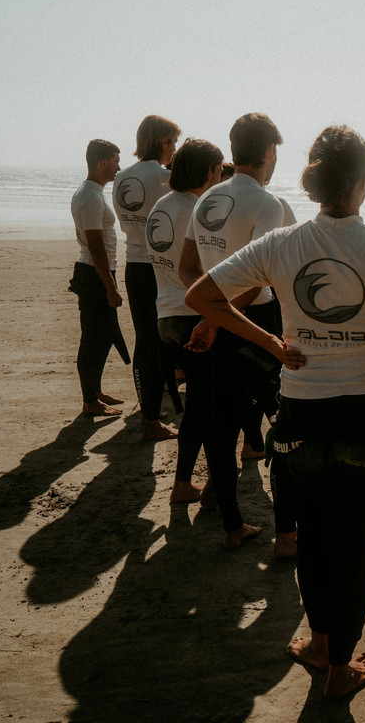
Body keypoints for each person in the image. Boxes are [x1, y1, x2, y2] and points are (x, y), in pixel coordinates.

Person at [185, 125, 365, 698]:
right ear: (363, 183)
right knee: (355, 551)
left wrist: (272, 345)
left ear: (314, 183)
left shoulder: (281, 244)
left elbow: (203, 298)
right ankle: (340, 671)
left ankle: (318, 643)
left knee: (313, 541)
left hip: (305, 415)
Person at [179, 112, 288, 551]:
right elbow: (260, 280)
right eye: (275, 152)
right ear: (267, 153)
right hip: (252, 323)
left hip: (211, 324)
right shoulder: (267, 203)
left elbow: (188, 267)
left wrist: (209, 310)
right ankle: (289, 529)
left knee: (218, 426)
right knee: (280, 417)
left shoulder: (207, 198)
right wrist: (218, 315)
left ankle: (231, 524)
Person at [147, 139, 224, 503]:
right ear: (208, 171)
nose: (221, 175)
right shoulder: (196, 210)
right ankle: (198, 484)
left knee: (199, 404)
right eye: (219, 168)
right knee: (206, 407)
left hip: (166, 313)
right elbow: (206, 268)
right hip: (192, 314)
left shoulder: (161, 206)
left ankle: (186, 483)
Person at [113, 115, 180, 440]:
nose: (175, 148)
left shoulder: (122, 177)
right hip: (159, 267)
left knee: (145, 340)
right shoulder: (166, 178)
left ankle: (149, 409)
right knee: (158, 343)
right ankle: (151, 420)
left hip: (133, 263)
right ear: (161, 141)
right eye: (173, 142)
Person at [70, 140, 128, 417]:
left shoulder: (93, 193)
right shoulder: (90, 197)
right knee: (93, 338)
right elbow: (95, 246)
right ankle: (89, 401)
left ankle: (95, 391)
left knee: (104, 336)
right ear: (103, 162)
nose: (119, 167)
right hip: (94, 273)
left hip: (99, 271)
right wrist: (110, 286)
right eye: (116, 161)